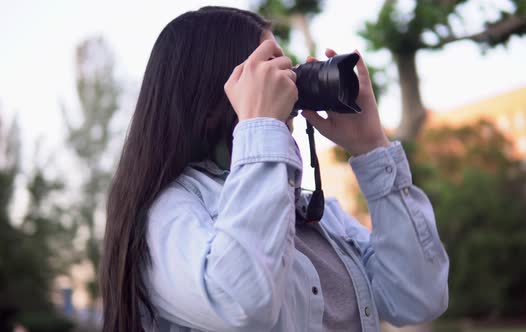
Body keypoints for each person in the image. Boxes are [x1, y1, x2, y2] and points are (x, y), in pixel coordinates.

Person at [101, 6, 449, 332]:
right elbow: (240, 302)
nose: (290, 83)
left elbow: (417, 299)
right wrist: (261, 126)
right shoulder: (167, 215)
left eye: (288, 69)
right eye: (271, 70)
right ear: (210, 100)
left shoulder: (319, 215)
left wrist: (372, 149)